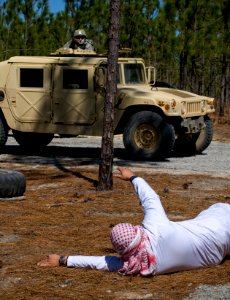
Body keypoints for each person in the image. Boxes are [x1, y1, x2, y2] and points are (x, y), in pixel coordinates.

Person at [37, 167, 230, 276]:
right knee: (218, 208)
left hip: (215, 256)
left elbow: (99, 262)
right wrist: (133, 177)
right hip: (218, 224)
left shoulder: (134, 266)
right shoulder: (156, 227)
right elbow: (151, 198)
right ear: (136, 231)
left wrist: (63, 260)